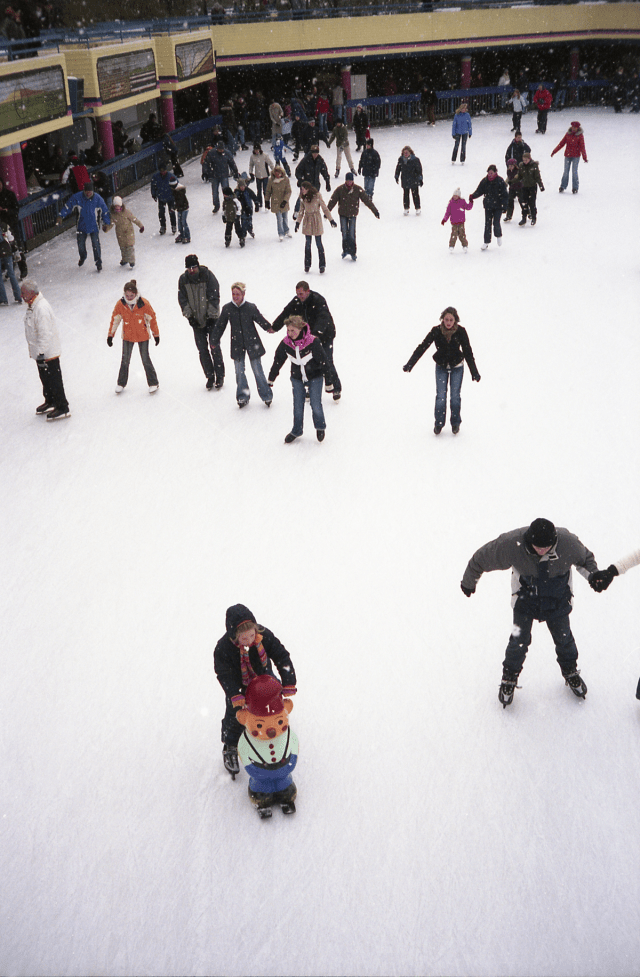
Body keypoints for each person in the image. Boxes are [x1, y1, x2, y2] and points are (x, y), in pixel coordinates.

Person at [460, 518, 602, 707]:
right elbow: (481, 558)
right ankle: (509, 676)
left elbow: (586, 560)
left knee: (564, 637)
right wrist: (469, 581)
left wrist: (594, 576)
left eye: (547, 547)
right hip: (525, 602)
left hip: (557, 601)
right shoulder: (512, 544)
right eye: (537, 546)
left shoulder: (568, 543)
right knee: (518, 639)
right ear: (529, 540)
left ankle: (570, 671)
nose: (542, 550)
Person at [213, 604, 297, 776]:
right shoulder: (223, 648)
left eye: (252, 635)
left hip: (264, 677)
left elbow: (281, 656)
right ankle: (230, 745)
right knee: (235, 714)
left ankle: (275, 728)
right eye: (244, 638)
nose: (250, 640)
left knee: (274, 703)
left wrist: (288, 681)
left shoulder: (263, 635)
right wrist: (235, 694)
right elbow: (223, 673)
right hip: (239, 684)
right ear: (234, 637)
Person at [403, 305, 480, 435]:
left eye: (451, 320)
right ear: (442, 320)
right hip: (441, 367)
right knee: (441, 397)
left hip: (457, 367)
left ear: (455, 320)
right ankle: (439, 423)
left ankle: (455, 423)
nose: (448, 322)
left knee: (455, 396)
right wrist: (410, 363)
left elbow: (467, 351)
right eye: (446, 320)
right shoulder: (436, 331)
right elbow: (423, 347)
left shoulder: (461, 331)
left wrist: (474, 372)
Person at [272, 280, 341, 400]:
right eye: (297, 294)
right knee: (308, 363)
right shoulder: (296, 302)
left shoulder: (318, 300)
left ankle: (335, 387)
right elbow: (285, 314)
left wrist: (317, 333)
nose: (299, 296)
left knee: (327, 360)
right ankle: (310, 388)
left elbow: (323, 317)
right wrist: (274, 327)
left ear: (307, 291)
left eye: (301, 294)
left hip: (324, 336)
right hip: (309, 338)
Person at [211, 282, 273, 408]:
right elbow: (220, 326)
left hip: (252, 342)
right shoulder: (227, 308)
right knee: (239, 372)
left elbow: (260, 319)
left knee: (257, 370)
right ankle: (242, 396)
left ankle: (266, 395)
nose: (235, 296)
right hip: (237, 344)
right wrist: (214, 340)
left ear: (243, 294)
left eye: (238, 294)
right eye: (233, 294)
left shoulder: (250, 307)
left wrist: (269, 327)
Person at [268, 314, 328, 443]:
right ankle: (297, 430)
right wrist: (271, 377)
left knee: (315, 403)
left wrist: (330, 380)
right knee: (297, 405)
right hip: (297, 377)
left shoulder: (313, 342)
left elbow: (324, 362)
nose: (290, 333)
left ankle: (320, 426)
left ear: (301, 329)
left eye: (293, 330)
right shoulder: (286, 343)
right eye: (288, 330)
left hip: (315, 376)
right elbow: (278, 360)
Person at [21, 278, 70, 420]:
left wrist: (41, 352)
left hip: (48, 353)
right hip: (40, 353)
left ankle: (62, 406)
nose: (21, 295)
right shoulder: (32, 305)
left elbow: (45, 332)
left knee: (54, 379)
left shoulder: (41, 308)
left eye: (24, 293)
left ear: (31, 293)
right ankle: (50, 400)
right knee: (45, 378)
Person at [178, 255, 224, 390]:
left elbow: (214, 296)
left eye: (194, 267)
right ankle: (210, 376)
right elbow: (182, 299)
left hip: (212, 319)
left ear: (198, 266)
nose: (191, 270)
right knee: (202, 349)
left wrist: (211, 316)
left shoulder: (208, 276)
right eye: (189, 268)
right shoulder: (183, 280)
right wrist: (189, 317)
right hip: (196, 320)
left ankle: (220, 376)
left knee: (214, 347)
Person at [107, 280, 159, 394]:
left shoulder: (143, 303)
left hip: (142, 335)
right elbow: (115, 320)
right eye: (127, 295)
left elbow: (152, 319)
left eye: (132, 295)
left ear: (136, 294)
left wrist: (156, 334)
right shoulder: (120, 304)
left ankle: (153, 382)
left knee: (145, 359)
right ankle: (121, 383)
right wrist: (110, 335)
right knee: (125, 359)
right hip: (128, 336)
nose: (129, 297)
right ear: (124, 294)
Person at [56, 179, 110, 272]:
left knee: (96, 245)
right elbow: (68, 206)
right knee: (80, 245)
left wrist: (106, 223)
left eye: (90, 191)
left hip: (94, 227)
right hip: (81, 226)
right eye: (86, 191)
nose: (88, 193)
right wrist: (61, 216)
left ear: (93, 191)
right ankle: (83, 256)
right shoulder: (77, 197)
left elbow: (105, 211)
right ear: (83, 190)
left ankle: (98, 262)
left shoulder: (98, 199)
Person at [328, 172, 379, 261]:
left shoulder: (357, 189)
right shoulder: (340, 189)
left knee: (351, 233)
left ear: (353, 181)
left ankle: (353, 252)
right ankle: (345, 250)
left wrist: (375, 211)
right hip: (343, 214)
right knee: (344, 232)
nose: (349, 182)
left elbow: (367, 201)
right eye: (347, 181)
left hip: (353, 214)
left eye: (350, 181)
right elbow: (333, 200)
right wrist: (327, 212)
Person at [295, 181, 335, 274]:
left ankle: (322, 265)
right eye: (301, 189)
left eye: (303, 189)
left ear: (308, 189)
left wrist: (331, 220)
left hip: (316, 220)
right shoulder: (302, 198)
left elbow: (325, 208)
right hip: (307, 221)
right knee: (308, 244)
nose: (302, 191)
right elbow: (301, 211)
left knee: (318, 243)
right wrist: (298, 223)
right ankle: (307, 264)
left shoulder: (317, 196)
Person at [469, 165, 508, 250]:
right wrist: (473, 196)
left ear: (495, 172)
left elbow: (505, 195)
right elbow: (479, 191)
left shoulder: (500, 181)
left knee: (496, 222)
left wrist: (504, 206)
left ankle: (498, 235)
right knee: (487, 224)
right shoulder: (485, 181)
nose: (490, 174)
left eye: (491, 173)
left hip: (498, 206)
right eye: (488, 173)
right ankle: (486, 242)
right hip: (488, 205)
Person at [102, 195, 144, 267]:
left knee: (129, 247)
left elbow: (134, 219)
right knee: (123, 248)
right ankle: (124, 259)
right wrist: (106, 228)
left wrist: (141, 226)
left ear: (121, 205)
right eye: (116, 206)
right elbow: (111, 223)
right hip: (120, 233)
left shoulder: (126, 212)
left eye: (118, 206)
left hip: (128, 232)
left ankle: (131, 260)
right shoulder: (113, 215)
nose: (117, 208)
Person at [551, 121, 588, 194]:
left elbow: (582, 147)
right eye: (572, 127)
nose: (573, 128)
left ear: (577, 128)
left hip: (576, 156)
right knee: (566, 172)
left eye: (575, 127)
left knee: (574, 172)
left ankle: (575, 187)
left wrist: (584, 157)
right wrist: (554, 151)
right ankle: (563, 186)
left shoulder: (580, 136)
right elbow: (561, 143)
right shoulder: (568, 134)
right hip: (567, 156)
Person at [202, 141, 239, 213]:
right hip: (214, 176)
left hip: (224, 175)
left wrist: (235, 171)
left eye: (222, 149)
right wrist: (205, 173)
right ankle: (216, 205)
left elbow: (232, 163)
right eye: (220, 149)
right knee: (215, 192)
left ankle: (227, 205)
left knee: (226, 192)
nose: (221, 151)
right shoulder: (211, 153)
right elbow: (206, 163)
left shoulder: (227, 153)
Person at [264, 165, 292, 240]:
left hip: (284, 201)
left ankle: (286, 230)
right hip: (275, 202)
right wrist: (267, 201)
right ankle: (281, 232)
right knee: (279, 218)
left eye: (278, 174)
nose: (277, 175)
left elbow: (288, 191)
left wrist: (285, 200)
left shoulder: (285, 179)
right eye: (276, 174)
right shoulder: (271, 180)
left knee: (285, 217)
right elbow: (268, 191)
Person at [517, 151, 544, 226]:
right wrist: (515, 181)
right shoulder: (521, 166)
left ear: (529, 159)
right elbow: (519, 175)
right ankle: (524, 218)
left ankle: (533, 217)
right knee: (524, 202)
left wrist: (541, 185)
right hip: (524, 186)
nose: (525, 162)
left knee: (532, 202)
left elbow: (537, 177)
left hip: (532, 187)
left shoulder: (534, 166)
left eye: (526, 160)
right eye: (523, 160)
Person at [149, 161, 176, 236]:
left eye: (164, 171)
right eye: (161, 171)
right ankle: (163, 226)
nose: (162, 172)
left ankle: (173, 226)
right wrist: (154, 194)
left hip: (170, 197)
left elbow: (176, 185)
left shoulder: (171, 176)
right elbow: (153, 186)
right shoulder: (156, 177)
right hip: (161, 197)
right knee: (161, 213)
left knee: (172, 212)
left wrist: (176, 195)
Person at [394, 146, 423, 215]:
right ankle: (406, 208)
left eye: (407, 152)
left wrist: (420, 179)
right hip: (405, 179)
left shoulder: (415, 160)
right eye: (404, 153)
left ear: (410, 152)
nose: (406, 154)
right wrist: (396, 176)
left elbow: (419, 170)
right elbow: (398, 168)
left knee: (415, 194)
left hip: (414, 179)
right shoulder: (401, 160)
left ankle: (417, 208)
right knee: (406, 194)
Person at [248, 143, 273, 208]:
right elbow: (251, 165)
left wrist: (274, 170)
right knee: (259, 190)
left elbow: (270, 163)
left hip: (265, 175)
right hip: (258, 176)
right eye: (255, 150)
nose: (256, 151)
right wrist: (250, 172)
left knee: (265, 190)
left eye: (257, 149)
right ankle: (259, 203)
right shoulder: (252, 156)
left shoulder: (264, 155)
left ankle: (267, 203)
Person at [169, 177, 190, 243]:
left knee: (183, 222)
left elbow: (179, 201)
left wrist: (174, 207)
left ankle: (187, 236)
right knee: (180, 222)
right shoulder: (175, 190)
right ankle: (182, 234)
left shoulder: (179, 191)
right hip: (180, 208)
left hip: (184, 208)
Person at [503, 158, 524, 223]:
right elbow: (508, 178)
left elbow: (520, 178)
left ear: (515, 165)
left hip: (519, 188)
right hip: (512, 188)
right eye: (509, 166)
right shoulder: (508, 171)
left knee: (521, 201)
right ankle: (509, 215)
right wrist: (505, 183)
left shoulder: (518, 171)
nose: (510, 167)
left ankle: (527, 213)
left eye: (511, 166)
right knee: (510, 201)